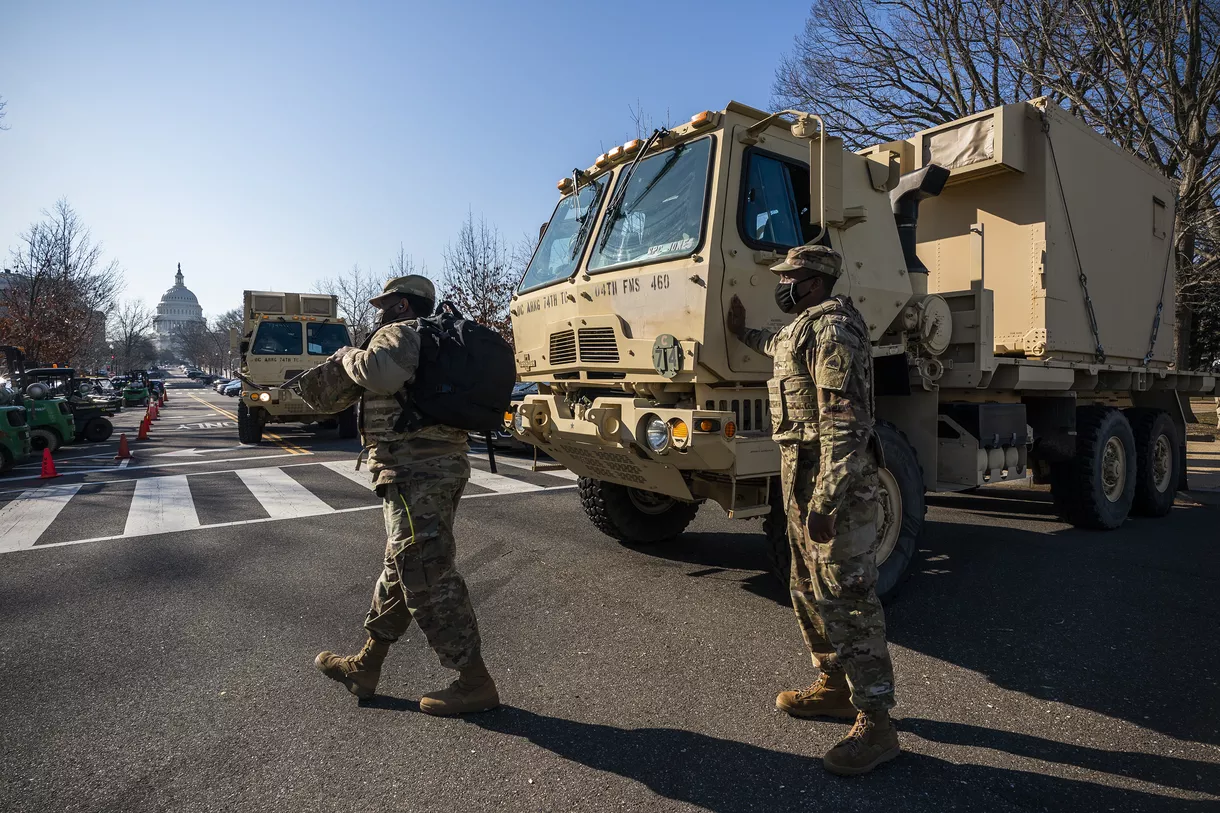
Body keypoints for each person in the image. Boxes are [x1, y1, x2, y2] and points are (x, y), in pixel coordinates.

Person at [725, 245, 899, 776]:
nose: (782, 284)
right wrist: (739, 331)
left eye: (790, 277)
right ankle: (833, 684)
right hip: (800, 488)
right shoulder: (800, 329)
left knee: (848, 597)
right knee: (805, 589)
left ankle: (877, 722)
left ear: (814, 281)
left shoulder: (833, 331)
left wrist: (824, 502)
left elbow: (846, 425)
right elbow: (771, 343)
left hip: (837, 493)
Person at [304, 275, 498, 716]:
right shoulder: (437, 339)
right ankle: (365, 666)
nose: (380, 311)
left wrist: (350, 354)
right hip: (438, 466)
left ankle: (475, 682)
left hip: (414, 471)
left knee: (426, 573)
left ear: (404, 305)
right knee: (401, 570)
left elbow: (382, 373)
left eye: (387, 303)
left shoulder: (400, 333)